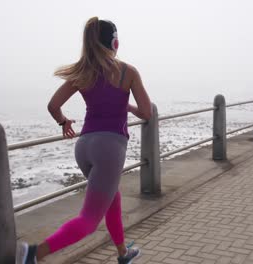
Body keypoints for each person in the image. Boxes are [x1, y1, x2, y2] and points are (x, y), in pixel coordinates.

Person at [16, 17, 152, 264]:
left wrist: (64, 122)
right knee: (89, 221)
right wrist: (128, 106)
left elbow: (53, 106)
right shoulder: (128, 72)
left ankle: (123, 254)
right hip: (109, 149)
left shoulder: (84, 72)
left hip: (85, 147)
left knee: (113, 199)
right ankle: (33, 254)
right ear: (115, 42)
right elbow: (147, 112)